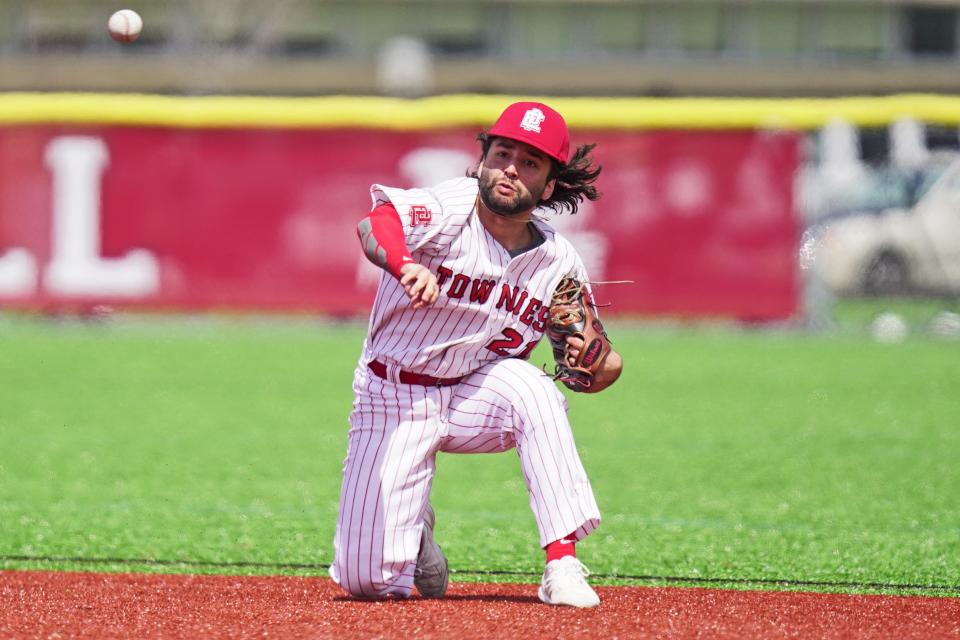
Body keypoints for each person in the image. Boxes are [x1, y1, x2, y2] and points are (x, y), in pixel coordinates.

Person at [329, 101, 623, 608]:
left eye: (529, 162)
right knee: (368, 583)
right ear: (483, 158)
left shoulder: (557, 261)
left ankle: (562, 563)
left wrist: (601, 367)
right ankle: (414, 532)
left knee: (533, 388)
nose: (510, 167)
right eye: (502, 152)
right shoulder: (452, 207)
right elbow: (375, 223)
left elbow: (585, 363)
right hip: (392, 393)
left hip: (474, 394)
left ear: (549, 185)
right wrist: (403, 265)